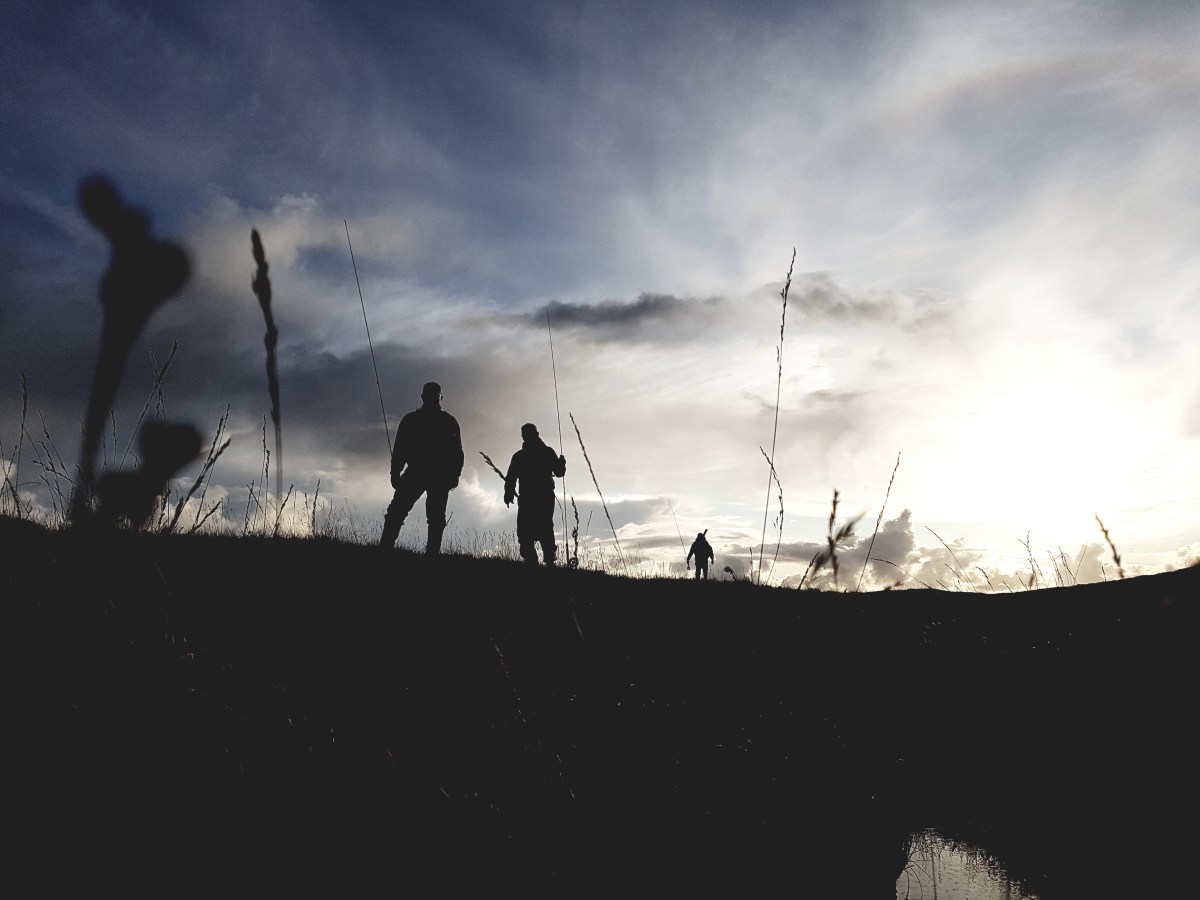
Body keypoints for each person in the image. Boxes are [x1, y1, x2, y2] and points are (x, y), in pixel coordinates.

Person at [380, 381, 464, 555]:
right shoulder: (448, 421)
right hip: (430, 475)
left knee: (402, 513)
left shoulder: (412, 420)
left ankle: (385, 550)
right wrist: (454, 475)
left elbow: (400, 450)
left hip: (423, 474)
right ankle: (428, 555)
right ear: (440, 397)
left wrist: (395, 473)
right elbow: (457, 453)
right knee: (424, 516)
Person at [503, 423, 566, 565]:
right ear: (537, 434)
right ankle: (547, 561)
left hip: (529, 498)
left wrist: (508, 494)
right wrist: (561, 464)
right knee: (543, 528)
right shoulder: (547, 452)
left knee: (528, 530)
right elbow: (559, 472)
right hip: (542, 497)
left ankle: (533, 561)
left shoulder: (520, 456)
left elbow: (511, 477)